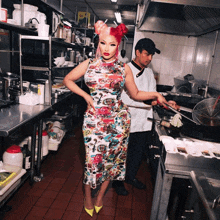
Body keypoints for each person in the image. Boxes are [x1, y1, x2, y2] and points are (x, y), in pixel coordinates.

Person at [63, 21, 168, 217]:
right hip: (94, 122)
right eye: (103, 43)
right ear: (98, 43)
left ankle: (101, 195)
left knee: (112, 163)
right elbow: (68, 79)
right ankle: (88, 195)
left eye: (112, 44)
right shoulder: (89, 64)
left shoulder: (123, 69)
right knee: (91, 162)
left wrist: (156, 95)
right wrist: (86, 96)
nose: (106, 49)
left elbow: (135, 94)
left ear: (118, 45)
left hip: (118, 122)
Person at [113, 38, 178, 196]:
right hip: (127, 119)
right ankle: (117, 182)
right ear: (137, 53)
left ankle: (130, 177)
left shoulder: (149, 73)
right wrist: (155, 99)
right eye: (147, 54)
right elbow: (130, 96)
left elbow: (151, 96)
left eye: (151, 56)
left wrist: (166, 103)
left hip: (144, 121)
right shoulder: (125, 69)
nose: (149, 58)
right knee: (122, 154)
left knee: (137, 154)